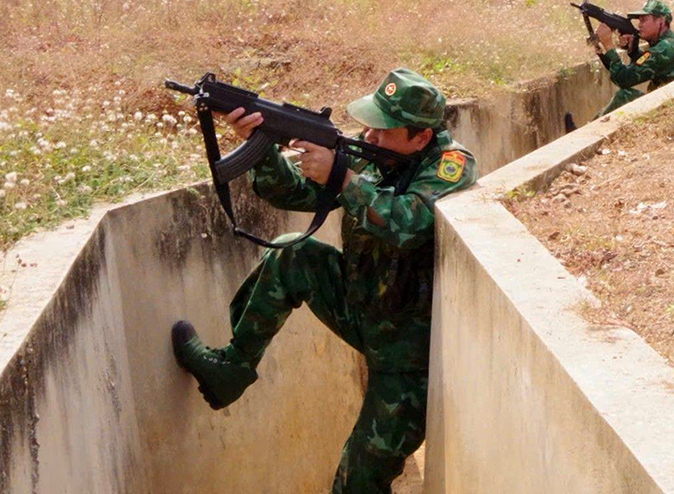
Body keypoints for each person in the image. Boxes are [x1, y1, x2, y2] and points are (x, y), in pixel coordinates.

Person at [169, 69, 476, 493]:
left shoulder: (451, 166)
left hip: (408, 358)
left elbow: (408, 223)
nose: (368, 135)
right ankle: (233, 367)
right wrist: (259, 144)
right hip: (362, 307)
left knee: (356, 482)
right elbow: (292, 194)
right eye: (369, 123)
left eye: (383, 130)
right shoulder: (378, 152)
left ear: (420, 138)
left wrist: (344, 178)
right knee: (294, 251)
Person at [594, 0, 674, 115]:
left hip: (672, 110)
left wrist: (608, 45)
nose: (639, 25)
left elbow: (623, 79)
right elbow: (652, 63)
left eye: (644, 20)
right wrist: (633, 50)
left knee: (624, 96)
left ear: (660, 21)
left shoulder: (662, 49)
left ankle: (588, 131)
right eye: (639, 20)